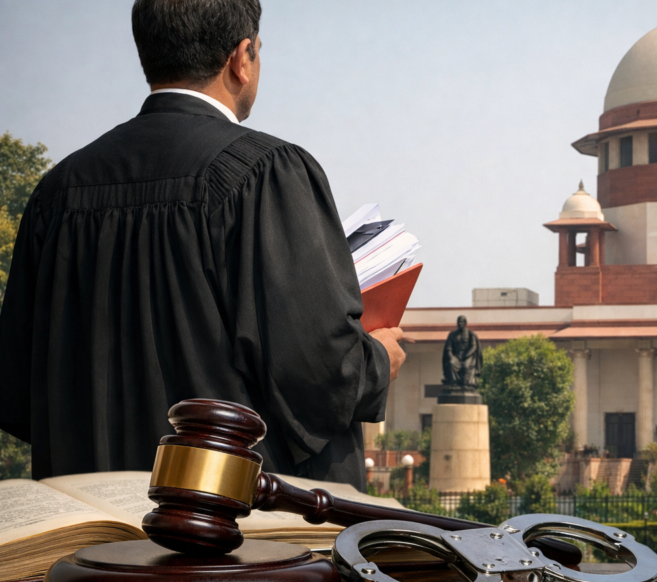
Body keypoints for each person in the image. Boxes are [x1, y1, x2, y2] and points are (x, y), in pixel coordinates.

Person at [0, 0, 405, 490]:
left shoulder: (56, 193)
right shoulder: (265, 173)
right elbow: (319, 375)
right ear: (241, 58)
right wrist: (377, 361)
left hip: (90, 517)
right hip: (227, 519)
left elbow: (17, 393)